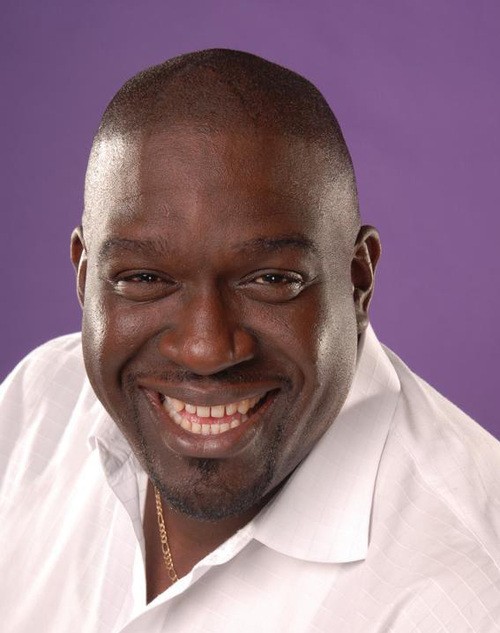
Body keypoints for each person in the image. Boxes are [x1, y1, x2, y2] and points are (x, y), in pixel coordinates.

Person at [1, 49, 499, 633]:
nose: (206, 349)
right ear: (85, 278)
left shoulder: (463, 598)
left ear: (358, 280)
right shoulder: (37, 407)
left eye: (271, 280)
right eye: (145, 278)